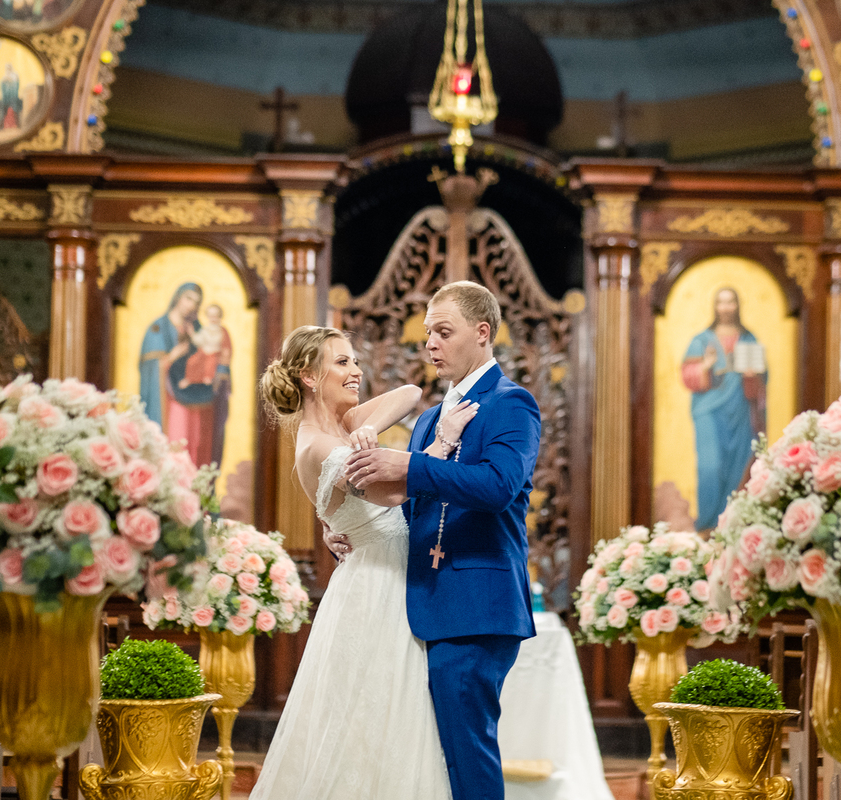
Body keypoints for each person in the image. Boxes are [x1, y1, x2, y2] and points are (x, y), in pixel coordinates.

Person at [251, 325, 478, 799]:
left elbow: (412, 391)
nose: (355, 371)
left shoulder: (347, 426)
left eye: (355, 361)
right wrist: (441, 443)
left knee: (397, 711)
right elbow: (393, 491)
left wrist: (370, 426)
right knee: (372, 711)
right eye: (341, 362)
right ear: (308, 376)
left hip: (389, 574)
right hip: (377, 585)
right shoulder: (318, 443)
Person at [336, 280, 542, 800]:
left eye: (443, 332)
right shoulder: (429, 418)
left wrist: (411, 464)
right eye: (427, 332)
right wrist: (359, 536)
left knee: (466, 751)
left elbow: (498, 487)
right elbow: (418, 507)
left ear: (482, 332)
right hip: (422, 601)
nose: (430, 343)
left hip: (477, 604)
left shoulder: (511, 403)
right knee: (429, 753)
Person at [681, 286, 766, 531]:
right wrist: (704, 367)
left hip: (740, 410)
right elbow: (687, 376)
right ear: (715, 307)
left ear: (737, 306)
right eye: (721, 302)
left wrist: (753, 377)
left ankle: (733, 523)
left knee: (738, 466)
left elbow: (762, 380)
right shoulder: (701, 340)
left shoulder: (749, 339)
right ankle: (707, 523)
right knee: (711, 466)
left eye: (730, 302)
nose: (726, 307)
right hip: (709, 410)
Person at [139, 283, 231, 468]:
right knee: (177, 443)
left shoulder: (197, 329)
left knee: (196, 444)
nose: (192, 305)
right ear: (177, 297)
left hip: (197, 398)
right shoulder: (158, 328)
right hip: (171, 400)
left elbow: (213, 356)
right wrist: (171, 357)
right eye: (188, 298)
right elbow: (150, 366)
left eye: (197, 302)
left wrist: (219, 369)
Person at [179, 303, 229, 389]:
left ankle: (208, 378)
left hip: (214, 353)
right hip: (203, 352)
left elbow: (223, 344)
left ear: (219, 316)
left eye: (215, 316)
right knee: (192, 361)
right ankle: (189, 379)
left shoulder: (221, 330)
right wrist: (192, 333)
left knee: (210, 365)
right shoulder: (205, 330)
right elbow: (198, 341)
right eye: (211, 316)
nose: (213, 318)